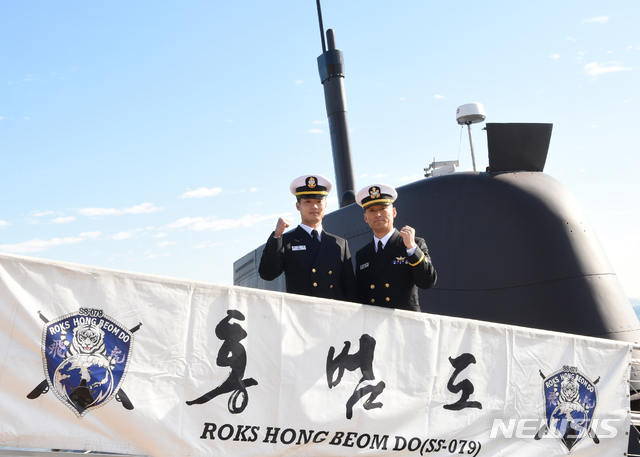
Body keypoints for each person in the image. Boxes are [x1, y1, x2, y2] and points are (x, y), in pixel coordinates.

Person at [258, 174, 359, 302]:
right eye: (307, 202)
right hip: (301, 312)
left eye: (319, 201)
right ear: (298, 206)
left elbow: (350, 290)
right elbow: (267, 274)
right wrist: (276, 236)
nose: (314, 206)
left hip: (332, 313)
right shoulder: (287, 241)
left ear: (325, 205)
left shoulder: (339, 244)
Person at [354, 184, 437, 312]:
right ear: (366, 218)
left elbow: (427, 282)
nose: (378, 214)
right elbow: (361, 296)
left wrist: (412, 248)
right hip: (375, 320)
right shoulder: (362, 255)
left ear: (393, 212)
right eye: (372, 210)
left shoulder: (414, 244)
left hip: (404, 320)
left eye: (383, 208)